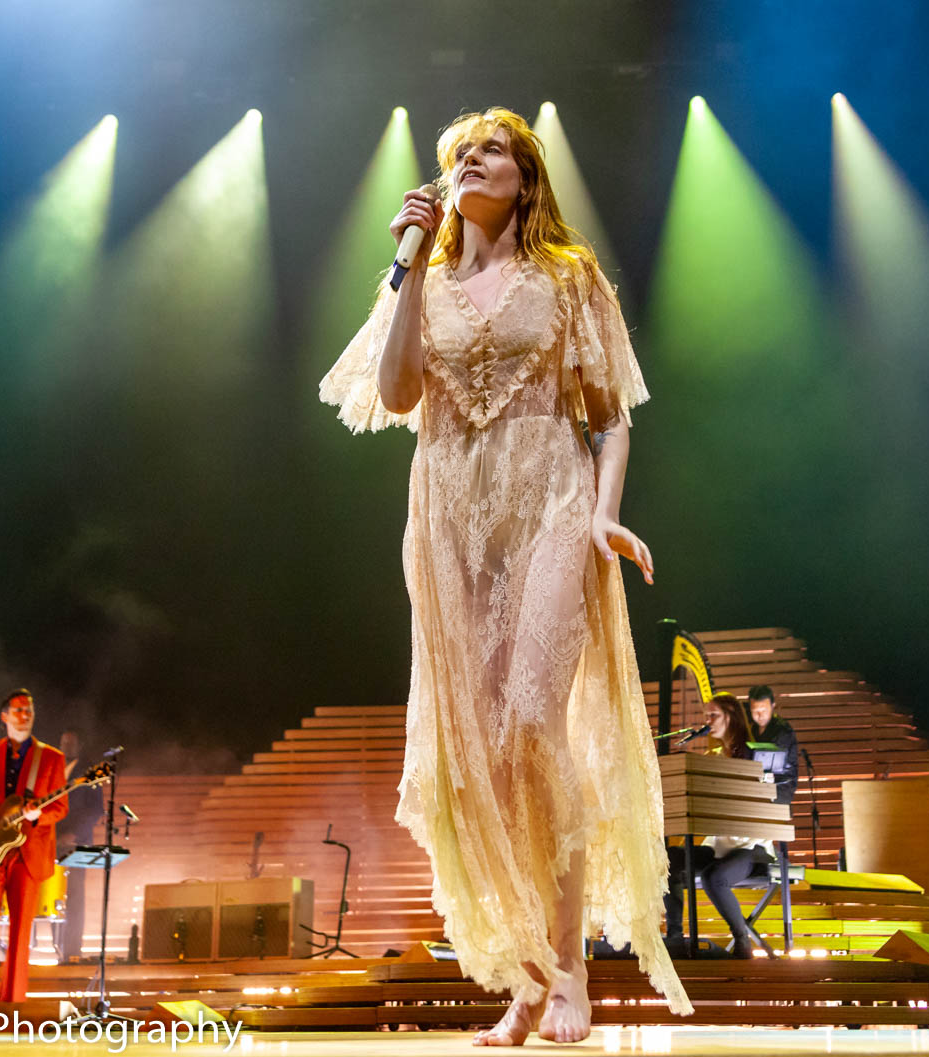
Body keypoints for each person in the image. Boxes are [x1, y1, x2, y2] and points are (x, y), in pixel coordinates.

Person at [320, 107, 690, 1045]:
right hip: (450, 518)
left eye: (491, 151)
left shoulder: (568, 275)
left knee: (531, 724)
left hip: (552, 503)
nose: (470, 162)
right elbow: (398, 392)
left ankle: (570, 972)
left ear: (526, 176)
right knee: (484, 760)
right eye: (459, 155)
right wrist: (406, 263)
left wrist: (603, 512)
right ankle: (527, 973)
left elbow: (609, 415)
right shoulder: (424, 278)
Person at [0, 689, 67, 1003]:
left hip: (27, 850)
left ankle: (14, 1003)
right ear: (4, 716)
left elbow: (60, 808)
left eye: (29, 710)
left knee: (21, 931)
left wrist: (39, 815)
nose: (25, 716)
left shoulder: (51, 758)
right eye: (18, 710)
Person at [663, 692, 770, 959]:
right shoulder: (714, 756)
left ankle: (742, 941)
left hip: (750, 848)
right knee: (667, 861)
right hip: (720, 846)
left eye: (713, 715)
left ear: (731, 716)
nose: (707, 721)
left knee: (714, 877)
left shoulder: (754, 753)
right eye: (705, 716)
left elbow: (765, 798)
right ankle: (674, 939)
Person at [55, 730, 104, 964]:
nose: (67, 746)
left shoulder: (89, 771)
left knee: (74, 897)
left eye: (71, 742)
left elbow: (96, 809)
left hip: (76, 844)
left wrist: (73, 834)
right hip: (50, 842)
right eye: (63, 742)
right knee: (51, 899)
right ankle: (56, 947)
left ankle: (72, 952)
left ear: (79, 745)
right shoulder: (53, 771)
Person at [747, 684, 800, 805]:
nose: (760, 716)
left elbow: (772, 766)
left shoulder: (782, 731)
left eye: (764, 710)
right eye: (755, 711)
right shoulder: (752, 729)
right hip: (759, 788)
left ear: (773, 706)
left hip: (780, 790)